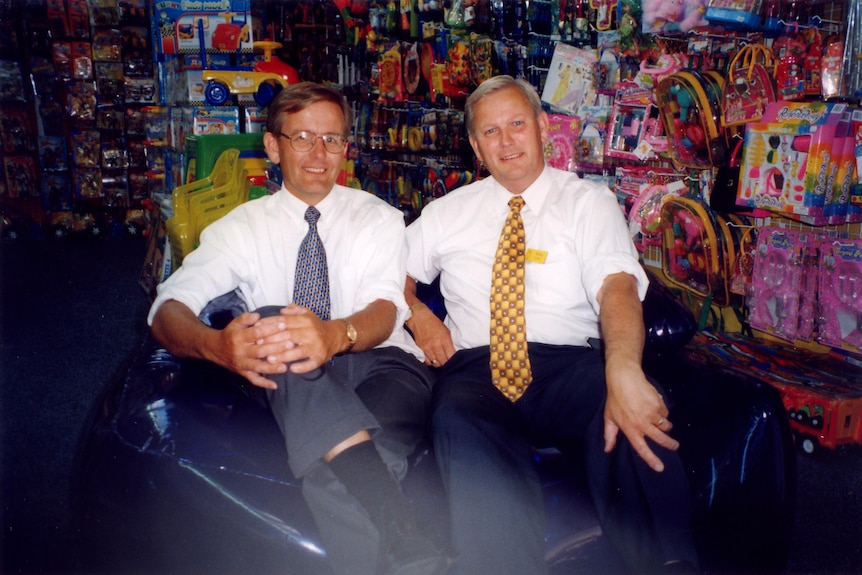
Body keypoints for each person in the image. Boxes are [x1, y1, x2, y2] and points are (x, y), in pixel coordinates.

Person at [403, 75, 699, 575]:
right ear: (475, 146)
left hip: (569, 365)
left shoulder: (589, 203)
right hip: (476, 368)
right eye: (490, 132)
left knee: (627, 406)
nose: (507, 141)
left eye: (517, 124)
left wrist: (624, 368)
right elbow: (388, 280)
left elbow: (618, 287)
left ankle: (668, 565)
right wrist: (421, 316)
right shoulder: (444, 213)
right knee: (456, 418)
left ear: (542, 127)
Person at [148, 82, 447, 575]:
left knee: (338, 473)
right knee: (272, 322)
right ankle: (408, 540)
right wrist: (217, 346)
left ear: (345, 150)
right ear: (272, 145)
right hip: (291, 376)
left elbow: (384, 309)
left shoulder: (378, 218)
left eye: (332, 140)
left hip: (383, 363)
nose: (318, 153)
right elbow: (168, 307)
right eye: (303, 137)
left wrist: (336, 335)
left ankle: (399, 537)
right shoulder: (239, 227)